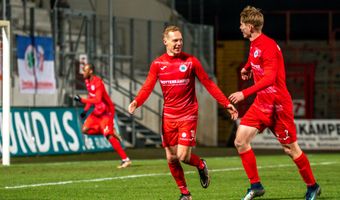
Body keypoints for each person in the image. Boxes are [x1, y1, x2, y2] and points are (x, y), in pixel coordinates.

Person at [128, 25, 238, 200]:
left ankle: (201, 164)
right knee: (171, 158)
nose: (179, 43)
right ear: (165, 41)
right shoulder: (158, 64)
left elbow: (208, 84)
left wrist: (225, 103)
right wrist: (137, 102)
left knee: (183, 156)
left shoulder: (191, 61)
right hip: (168, 117)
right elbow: (148, 86)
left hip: (188, 114)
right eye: (175, 40)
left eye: (181, 40)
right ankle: (185, 194)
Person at [228, 6, 321, 200]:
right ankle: (256, 186)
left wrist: (244, 93)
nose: (240, 28)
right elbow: (254, 59)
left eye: (242, 25)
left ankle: (313, 186)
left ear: (251, 27)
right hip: (262, 103)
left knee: (290, 149)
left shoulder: (268, 46)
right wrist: (247, 68)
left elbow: (270, 78)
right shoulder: (254, 43)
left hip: (278, 105)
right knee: (240, 141)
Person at [74, 63, 131, 169]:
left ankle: (125, 160)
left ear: (90, 71)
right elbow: (91, 97)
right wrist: (85, 110)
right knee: (85, 129)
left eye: (85, 70)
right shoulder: (87, 81)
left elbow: (98, 99)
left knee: (108, 136)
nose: (83, 73)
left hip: (107, 112)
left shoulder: (98, 82)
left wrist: (81, 100)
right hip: (97, 111)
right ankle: (109, 131)